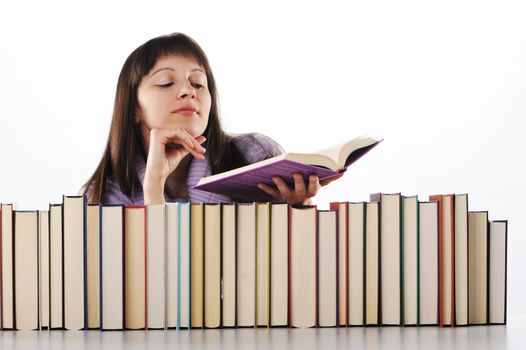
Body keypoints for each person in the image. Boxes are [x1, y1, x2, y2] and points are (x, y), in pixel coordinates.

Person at [81, 33, 342, 206]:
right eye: (165, 83)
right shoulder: (102, 198)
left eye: (198, 83)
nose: (188, 91)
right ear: (133, 108)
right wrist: (153, 187)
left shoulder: (255, 156)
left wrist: (299, 207)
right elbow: (157, 282)